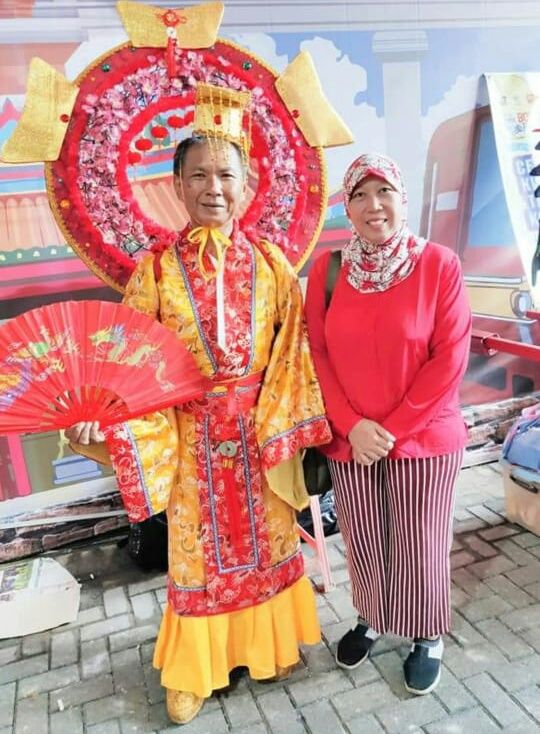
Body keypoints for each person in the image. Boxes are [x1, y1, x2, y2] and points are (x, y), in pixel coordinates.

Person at [66, 84, 331, 724]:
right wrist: (95, 418)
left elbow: (295, 354)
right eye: (199, 175)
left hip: (259, 434)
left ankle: (265, 651)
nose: (214, 187)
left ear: (245, 188)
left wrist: (286, 426)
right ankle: (197, 669)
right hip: (190, 439)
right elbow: (128, 362)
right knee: (197, 558)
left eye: (226, 176)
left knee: (270, 548)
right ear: (177, 187)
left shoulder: (272, 265)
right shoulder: (154, 271)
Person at [305, 152, 472, 695]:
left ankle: (427, 634)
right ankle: (373, 617)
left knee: (419, 542)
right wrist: (351, 425)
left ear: (402, 199)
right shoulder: (329, 271)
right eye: (359, 194)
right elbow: (318, 353)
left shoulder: (438, 265)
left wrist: (391, 429)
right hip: (349, 441)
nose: (373, 205)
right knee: (366, 538)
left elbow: (449, 358)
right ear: (347, 208)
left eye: (383, 192)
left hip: (423, 439)